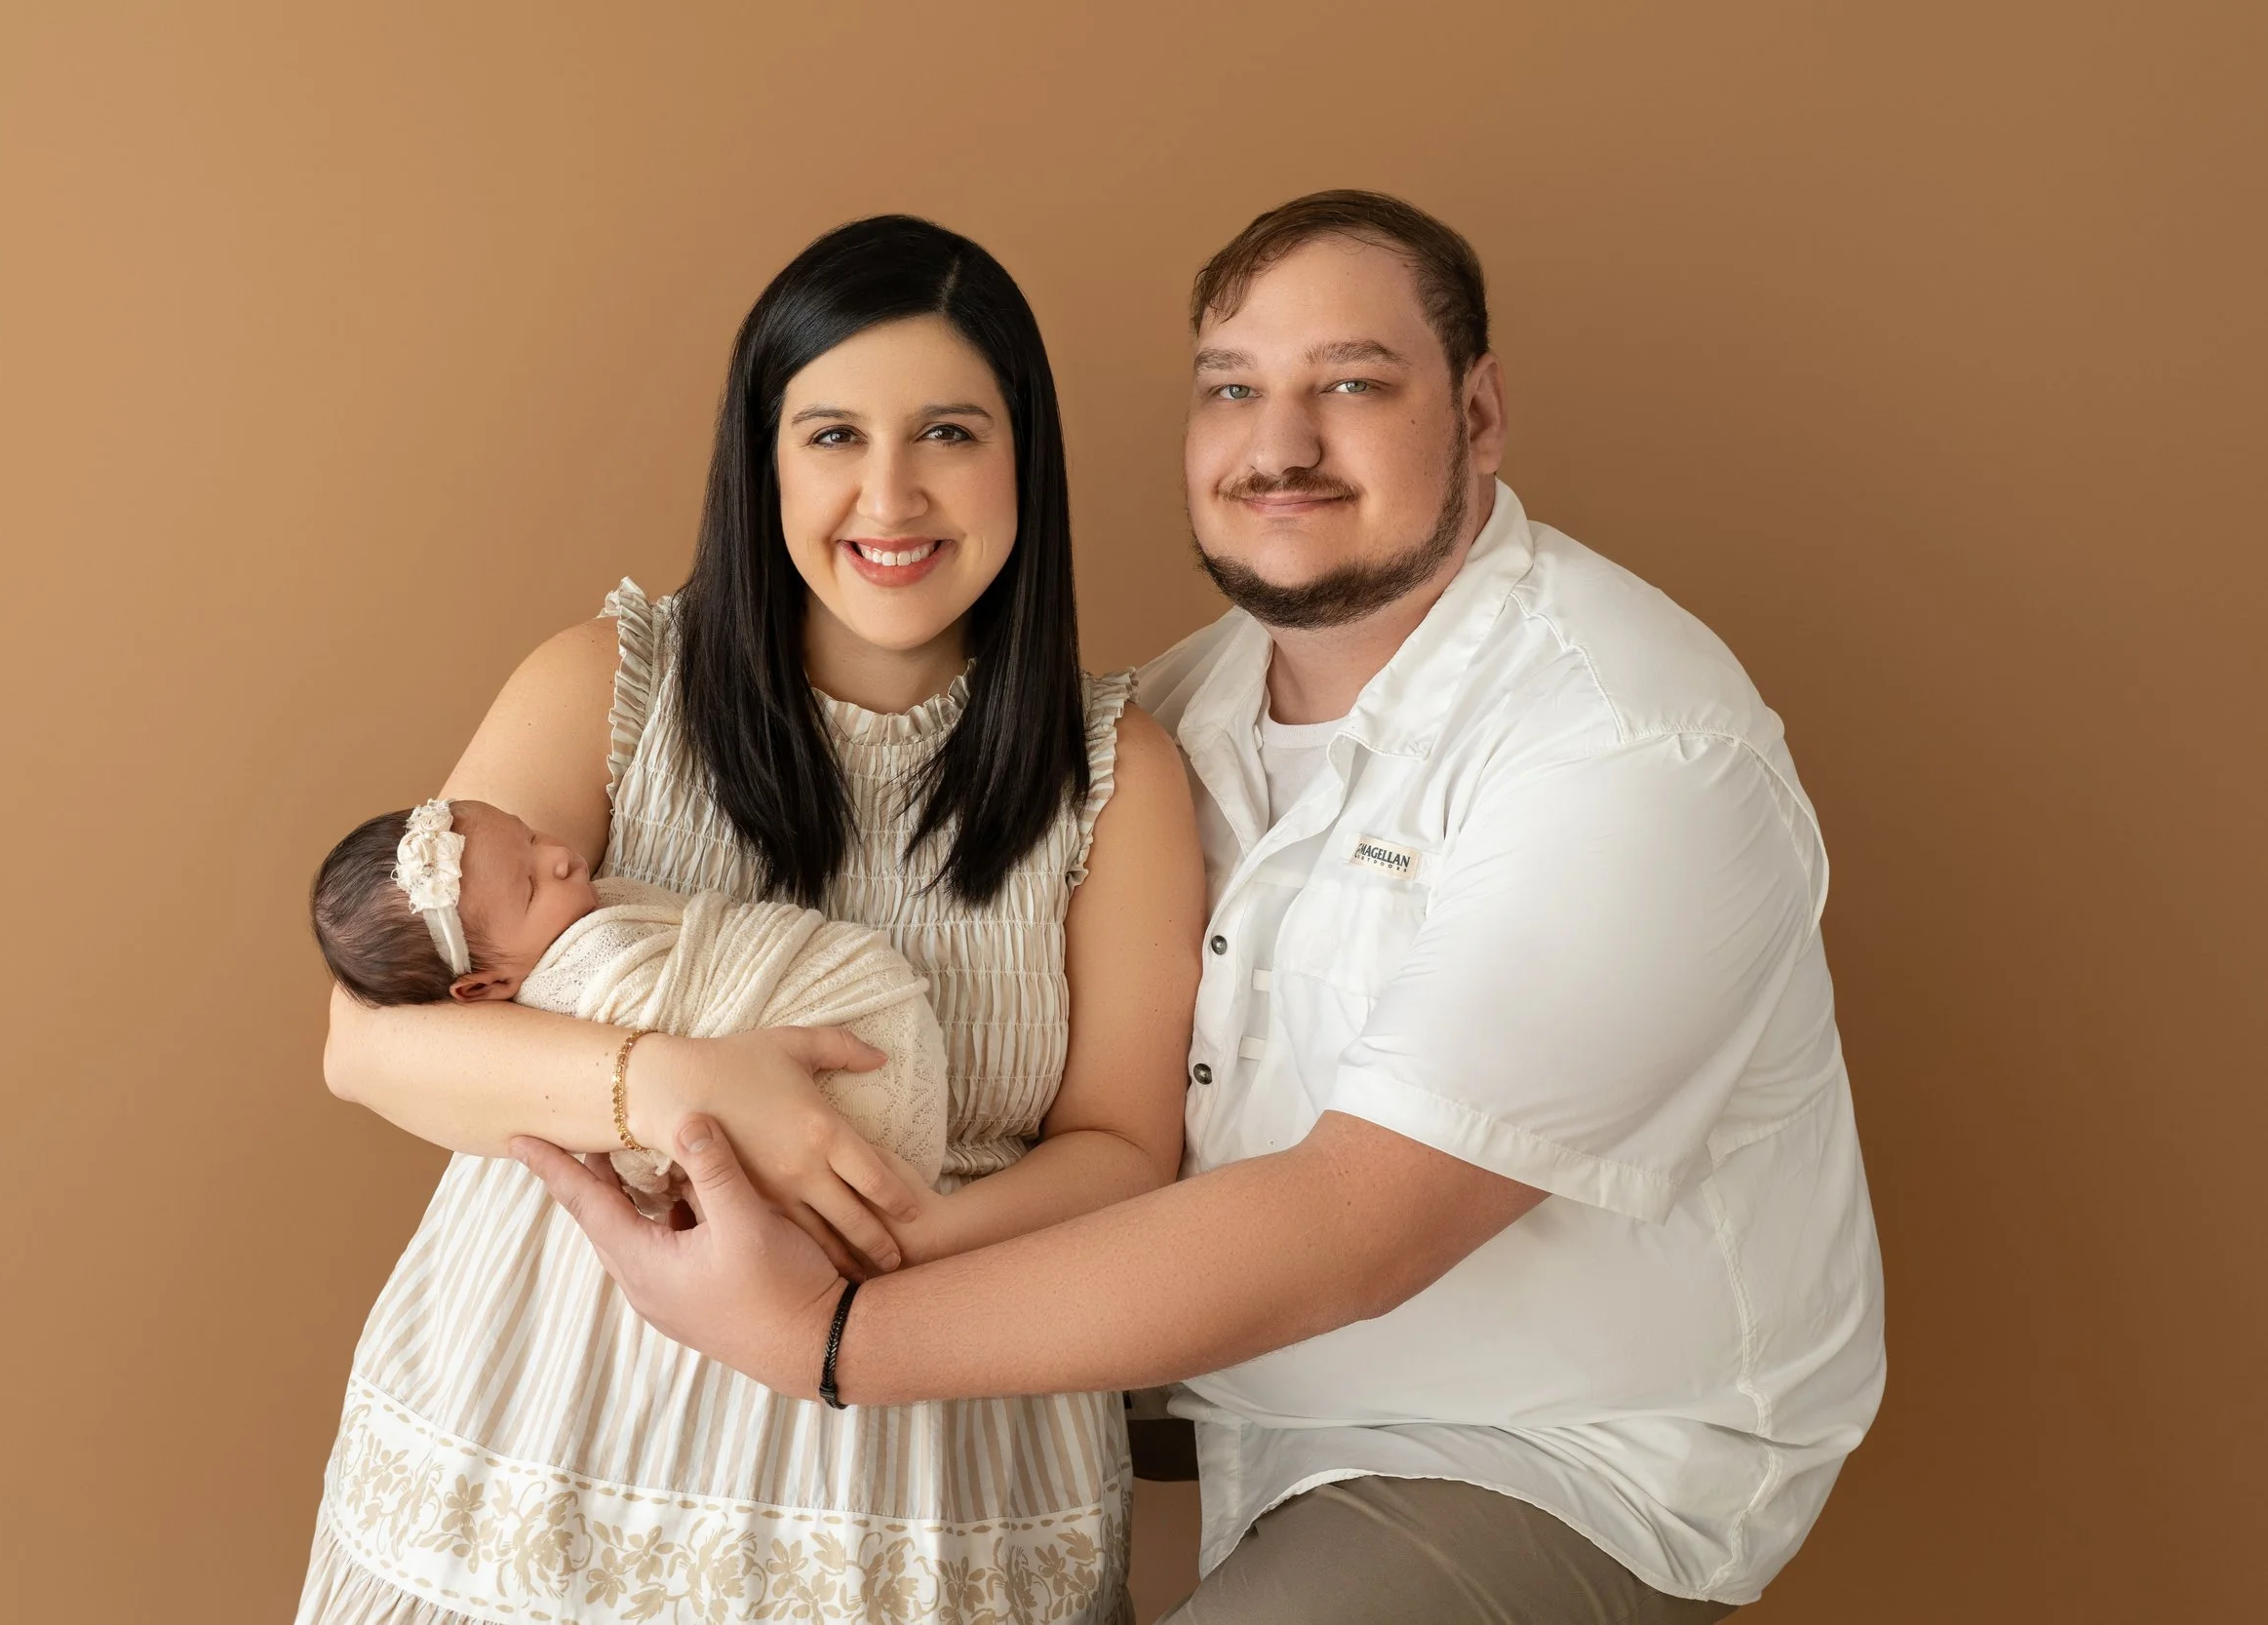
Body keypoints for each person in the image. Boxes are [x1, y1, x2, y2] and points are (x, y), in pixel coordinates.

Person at [516, 190, 1888, 1624]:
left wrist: (831, 1330)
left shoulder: (1629, 746)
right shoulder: (1163, 725)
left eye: (1352, 384)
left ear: (1479, 415)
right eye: (1234, 387)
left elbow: (1362, 1223)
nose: (1279, 444)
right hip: (1229, 1401)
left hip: (1547, 1446)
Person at [303, 215, 1202, 1624]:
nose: (890, 495)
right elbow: (371, 1044)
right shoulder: (612, 683)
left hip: (929, 1431)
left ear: (1026, 457)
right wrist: (678, 1088)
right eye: (832, 433)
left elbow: (1125, 1152)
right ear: (762, 460)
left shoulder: (1119, 776)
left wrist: (875, 1241)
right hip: (555, 1426)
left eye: (951, 433)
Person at [308, 796, 951, 1213]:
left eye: (529, 834)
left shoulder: (587, 909)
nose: (559, 856)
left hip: (839, 1003)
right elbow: (651, 1135)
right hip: (835, 1081)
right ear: (481, 989)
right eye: (531, 886)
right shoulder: (581, 982)